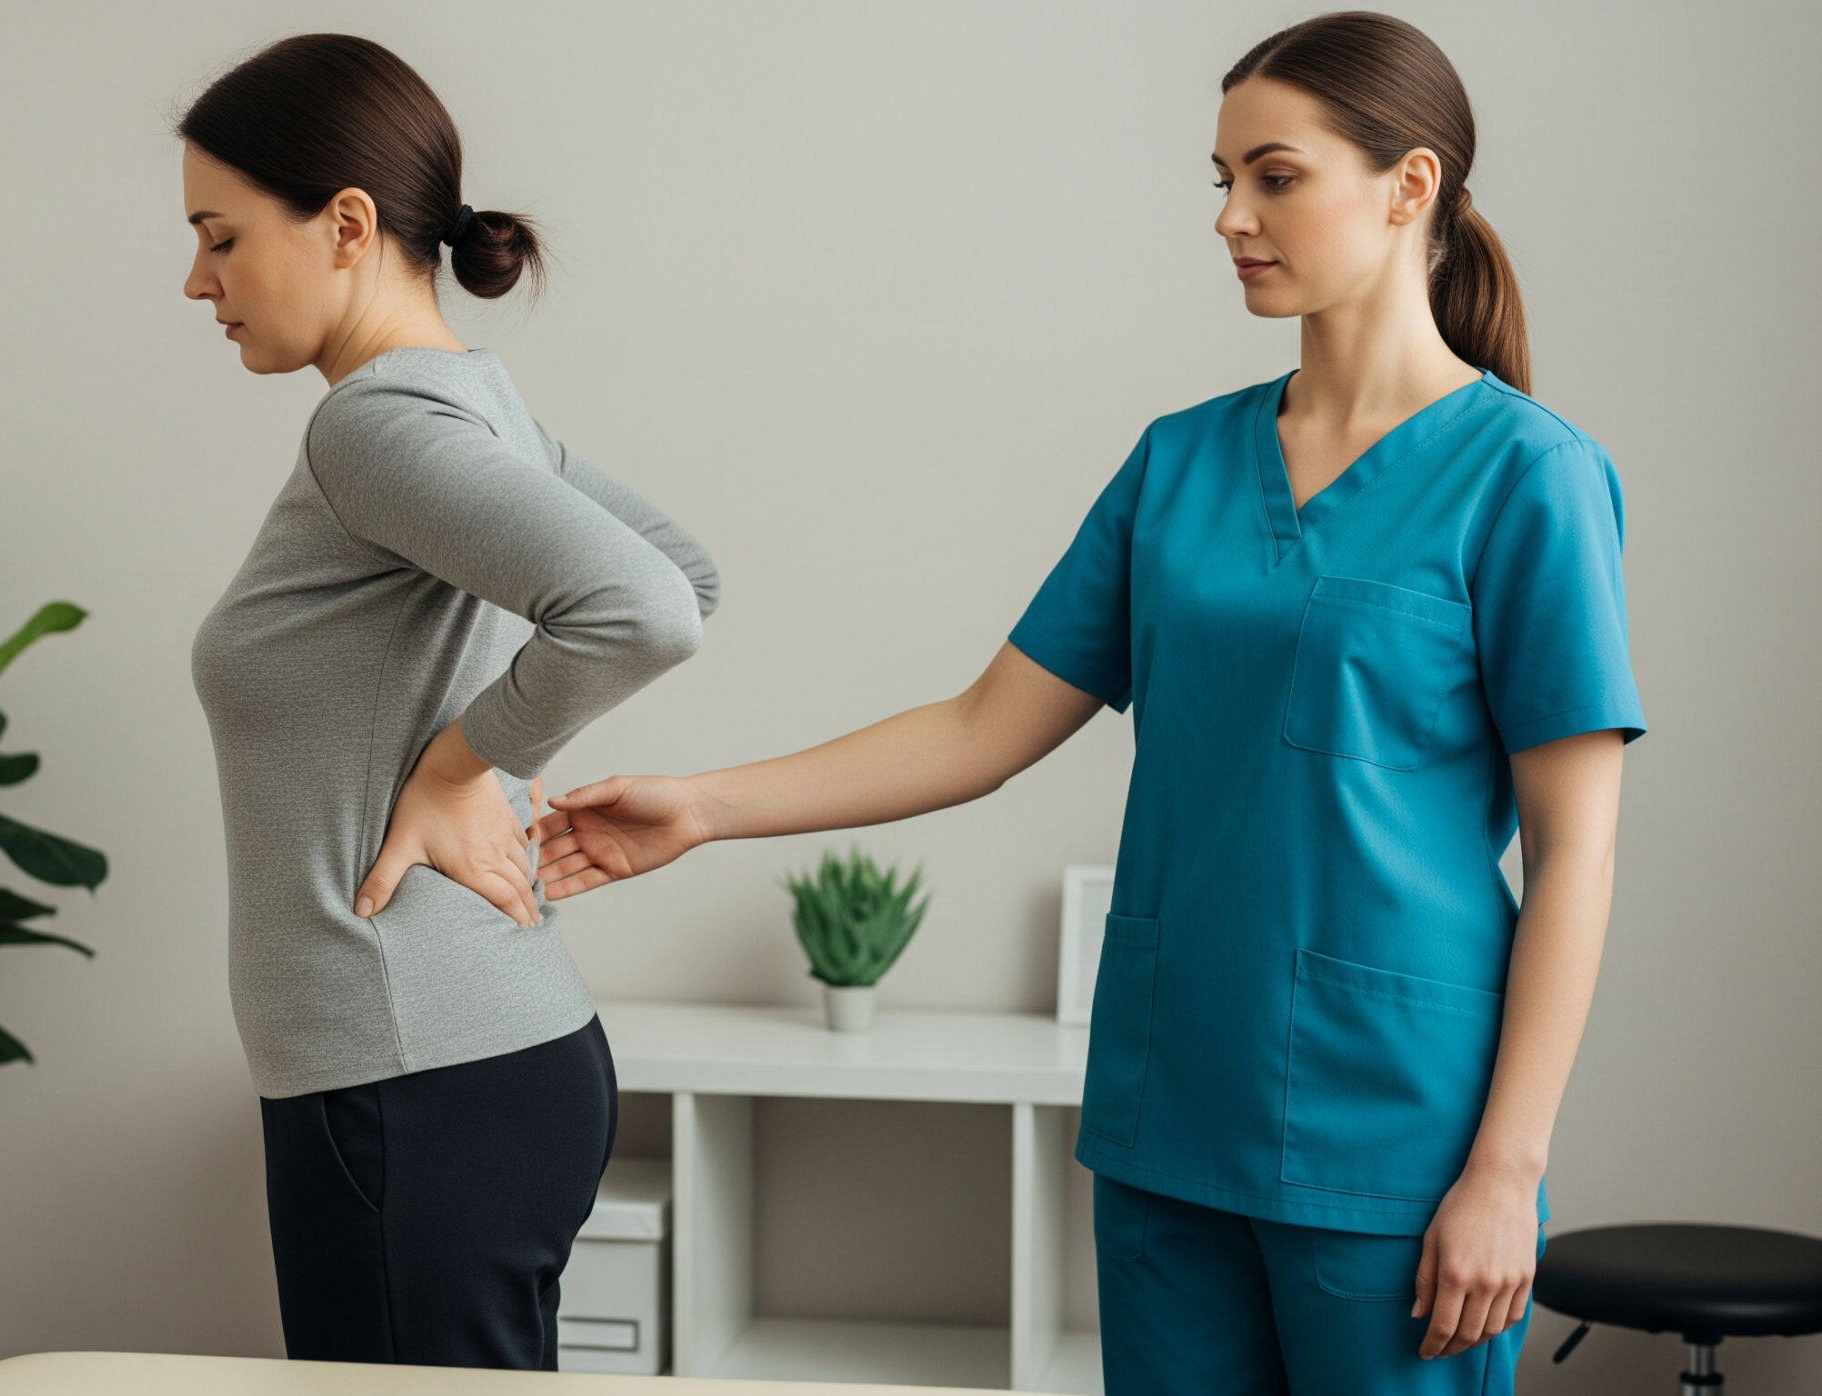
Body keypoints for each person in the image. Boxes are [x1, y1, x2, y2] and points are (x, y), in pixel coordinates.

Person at [536, 13, 1641, 1393]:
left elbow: (1577, 849)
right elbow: (977, 729)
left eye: (1275, 176)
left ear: (1409, 186)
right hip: (1167, 1109)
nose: (1231, 215)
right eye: (1221, 178)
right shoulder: (1178, 467)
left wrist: (1507, 1166)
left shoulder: (1529, 477)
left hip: (1397, 1142)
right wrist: (699, 808)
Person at [177, 34, 721, 1371]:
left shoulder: (371, 423)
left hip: (408, 1078)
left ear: (347, 225)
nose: (198, 282)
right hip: (475, 1063)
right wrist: (474, 748)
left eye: (222, 237)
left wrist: (463, 765)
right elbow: (684, 579)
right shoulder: (475, 402)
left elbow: (647, 606)